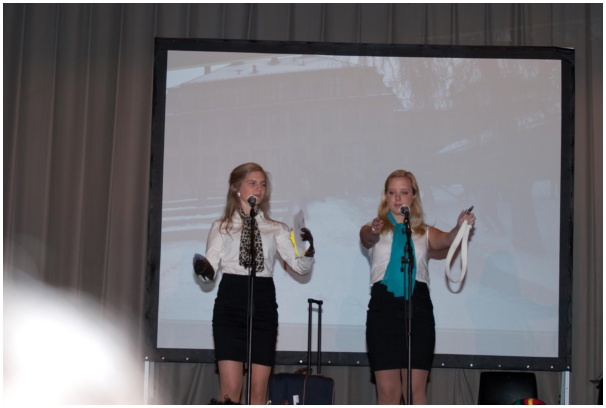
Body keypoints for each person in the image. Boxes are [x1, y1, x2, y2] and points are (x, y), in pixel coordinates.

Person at [193, 162, 315, 405]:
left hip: (263, 304)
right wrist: (203, 270)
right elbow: (209, 273)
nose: (259, 189)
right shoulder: (221, 227)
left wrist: (308, 251)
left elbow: (300, 268)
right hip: (230, 303)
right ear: (237, 188)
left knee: (258, 392)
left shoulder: (277, 229)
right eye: (252, 183)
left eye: (262, 185)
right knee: (230, 392)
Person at [360, 169, 475, 405]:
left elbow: (446, 240)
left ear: (413, 196)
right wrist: (373, 230)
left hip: (418, 308)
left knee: (415, 391)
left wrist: (460, 227)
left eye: (403, 192)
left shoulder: (424, 232)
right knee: (388, 393)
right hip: (384, 308)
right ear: (385, 196)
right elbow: (366, 237)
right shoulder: (376, 227)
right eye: (392, 192)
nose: (397, 197)